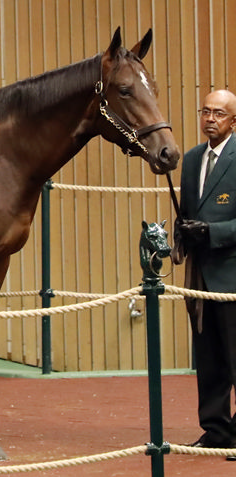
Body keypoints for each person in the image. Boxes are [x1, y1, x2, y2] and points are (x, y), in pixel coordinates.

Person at [173, 89, 236, 456]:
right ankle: (216, 429)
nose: (210, 118)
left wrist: (212, 233)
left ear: (233, 121)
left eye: (219, 113)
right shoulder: (193, 159)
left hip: (231, 276)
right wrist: (183, 233)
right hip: (199, 277)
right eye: (206, 111)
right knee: (209, 357)